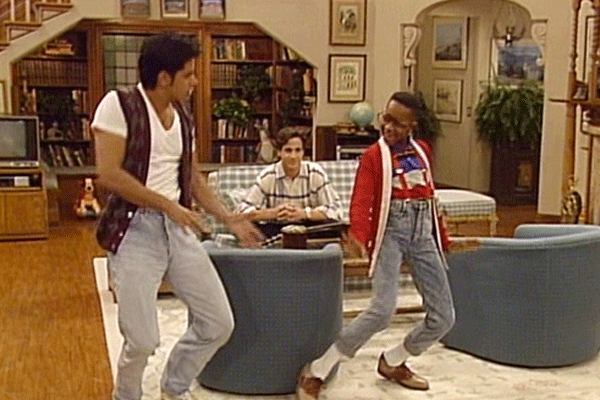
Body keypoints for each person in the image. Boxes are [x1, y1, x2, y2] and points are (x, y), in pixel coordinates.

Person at [91, 33, 262, 400]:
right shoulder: (119, 105)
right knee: (142, 339)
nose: (195, 81)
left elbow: (193, 176)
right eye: (189, 74)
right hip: (134, 230)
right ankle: (126, 395)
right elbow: (108, 174)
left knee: (218, 322)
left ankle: (174, 386)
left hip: (178, 229)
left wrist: (228, 217)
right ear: (164, 77)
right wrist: (167, 205)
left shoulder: (183, 115)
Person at [297, 92, 457, 399]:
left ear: (412, 125)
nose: (389, 127)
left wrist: (442, 236)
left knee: (444, 317)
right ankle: (318, 369)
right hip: (391, 233)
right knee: (382, 311)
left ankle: (394, 361)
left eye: (398, 123)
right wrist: (358, 235)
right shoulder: (374, 156)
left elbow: (429, 195)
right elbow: (362, 199)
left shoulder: (423, 150)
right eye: (387, 118)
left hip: (423, 234)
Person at [237, 126, 343, 237]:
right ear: (279, 152)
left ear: (303, 152)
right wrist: (273, 213)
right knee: (248, 228)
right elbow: (241, 211)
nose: (293, 156)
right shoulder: (268, 176)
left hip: (309, 228)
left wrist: (304, 213)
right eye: (288, 150)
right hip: (277, 228)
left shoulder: (315, 173)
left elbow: (336, 210)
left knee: (333, 228)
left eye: (298, 150)